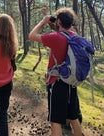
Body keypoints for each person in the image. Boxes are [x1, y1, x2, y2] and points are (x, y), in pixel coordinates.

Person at [29, 7, 83, 136]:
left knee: (55, 121)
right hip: (71, 81)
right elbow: (61, 32)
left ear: (58, 21)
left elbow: (32, 35)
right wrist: (50, 19)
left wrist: (43, 21)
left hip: (57, 83)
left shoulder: (55, 37)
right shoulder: (74, 36)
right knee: (73, 117)